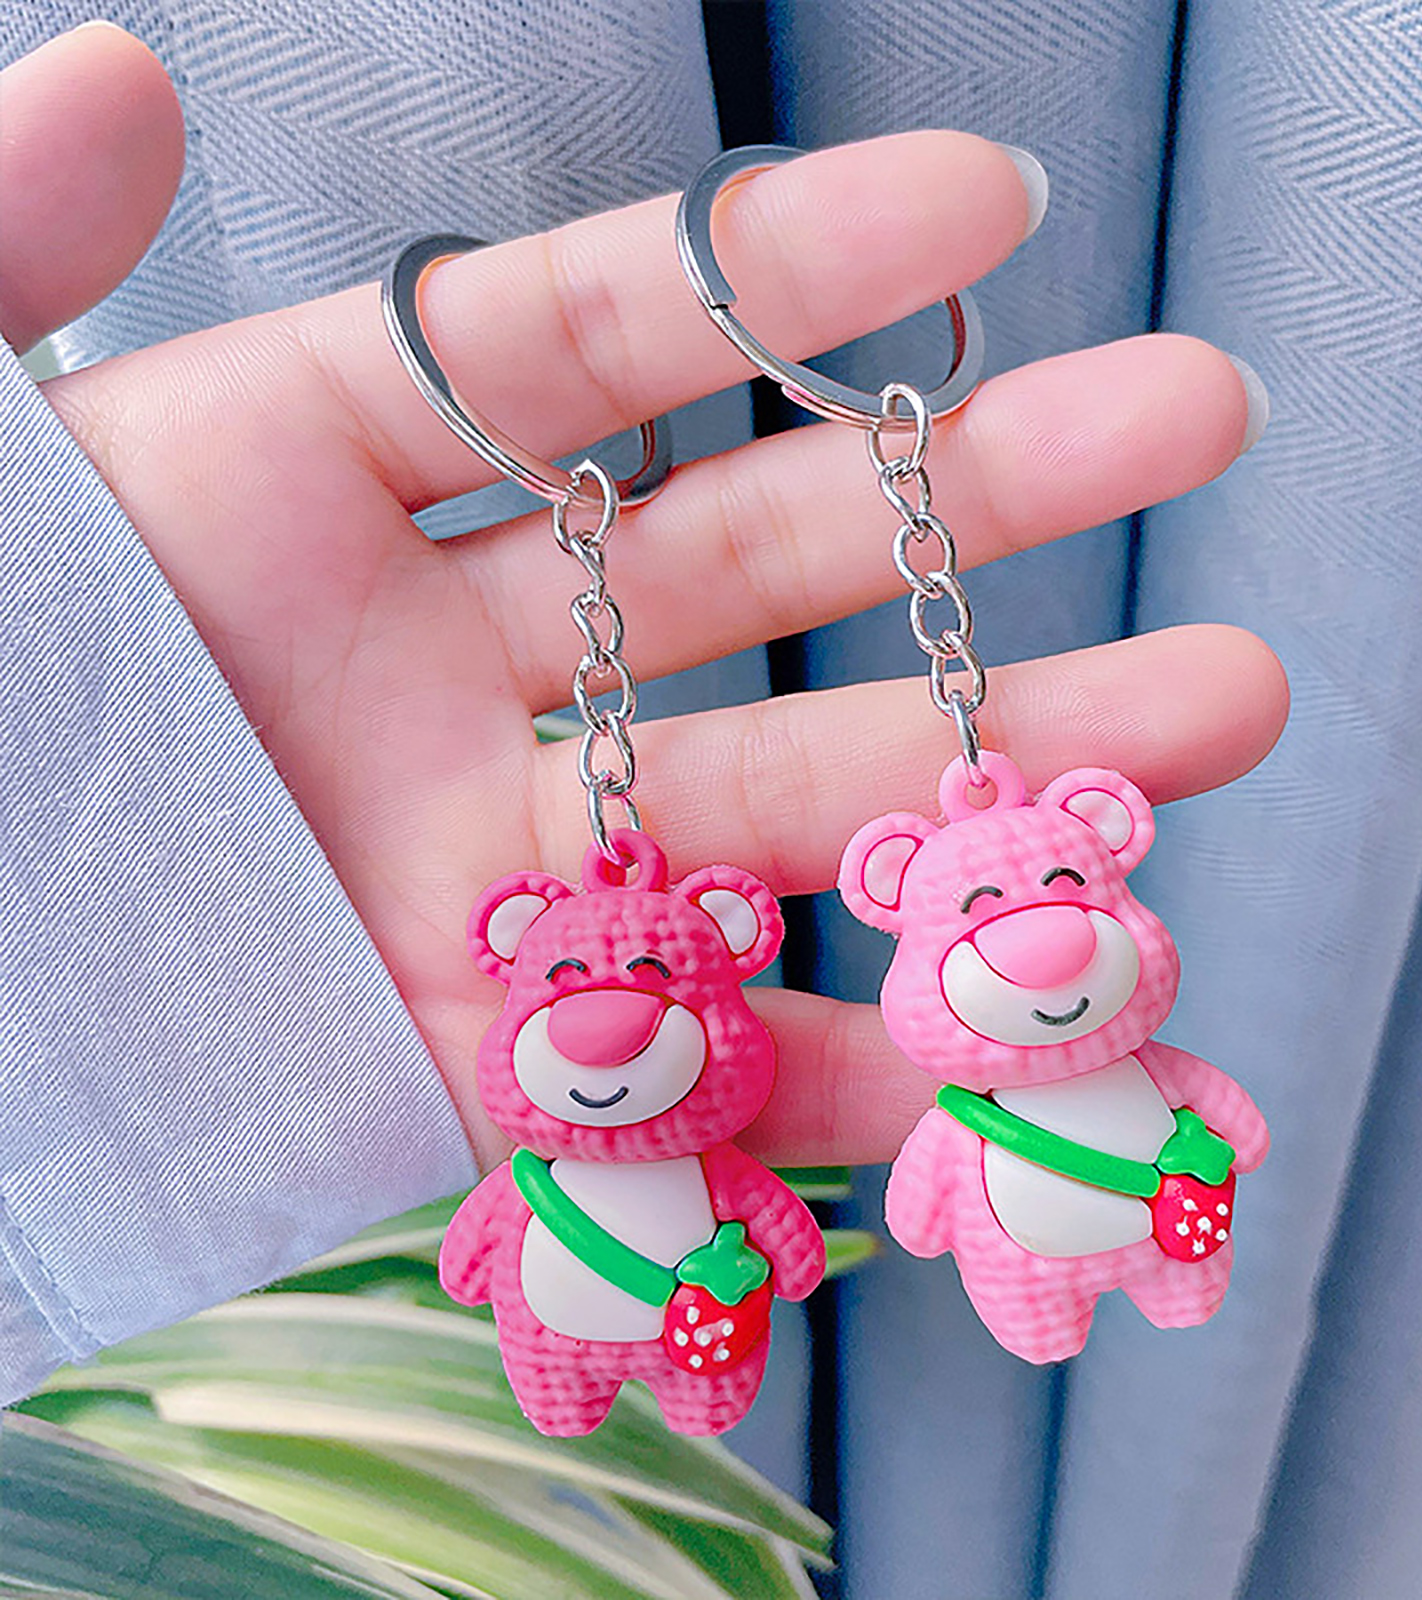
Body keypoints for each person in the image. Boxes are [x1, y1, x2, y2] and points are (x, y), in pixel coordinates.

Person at [0, 21, 1284, 1402]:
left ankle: (1100, 1293)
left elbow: (919, 1196)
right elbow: (535, 1248)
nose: (1036, 941)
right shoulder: (583, 1125)